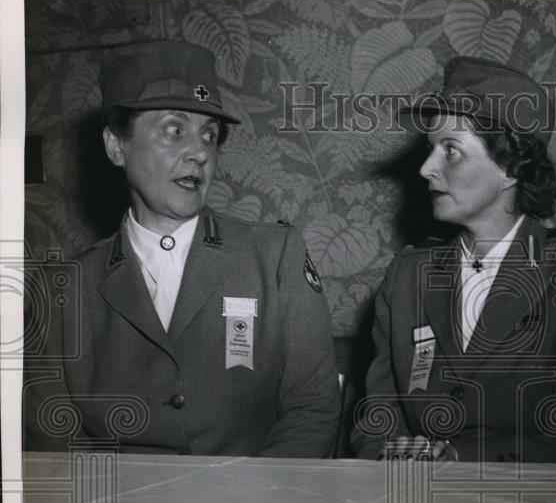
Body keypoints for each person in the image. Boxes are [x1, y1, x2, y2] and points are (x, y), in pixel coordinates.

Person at [23, 39, 340, 457]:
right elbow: (52, 442)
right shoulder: (60, 291)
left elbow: (311, 412)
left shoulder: (275, 257)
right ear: (116, 146)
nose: (199, 152)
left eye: (209, 135)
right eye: (175, 130)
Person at [352, 57, 556, 462]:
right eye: (431, 149)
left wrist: (460, 458)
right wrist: (392, 453)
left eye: (451, 151)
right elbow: (377, 416)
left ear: (511, 166)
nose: (426, 168)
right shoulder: (408, 275)